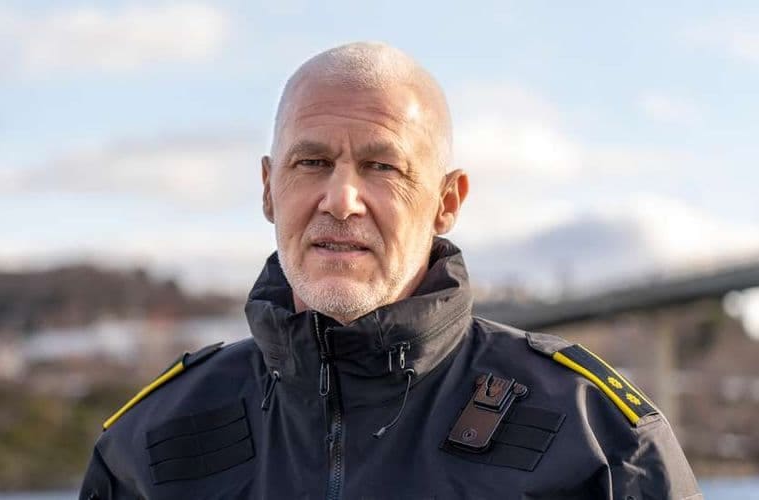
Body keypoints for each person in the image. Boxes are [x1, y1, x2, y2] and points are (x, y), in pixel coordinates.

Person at [79, 42, 702, 499]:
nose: (341, 200)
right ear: (269, 188)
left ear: (447, 201)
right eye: (312, 162)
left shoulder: (597, 438)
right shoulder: (148, 443)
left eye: (382, 167)